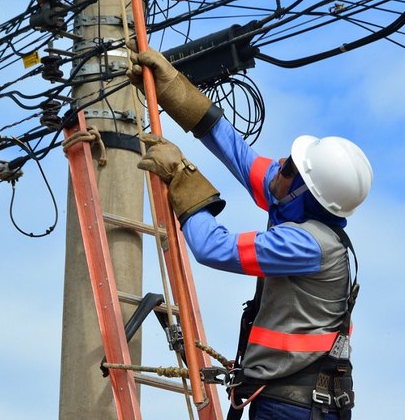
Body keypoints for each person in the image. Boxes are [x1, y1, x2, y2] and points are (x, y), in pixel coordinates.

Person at [126, 43, 373, 420]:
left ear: (306, 193)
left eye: (290, 167)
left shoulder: (307, 244)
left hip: (293, 407)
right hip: (288, 400)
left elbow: (213, 247)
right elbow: (237, 153)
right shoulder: (293, 201)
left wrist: (181, 177)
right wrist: (172, 89)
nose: (279, 166)